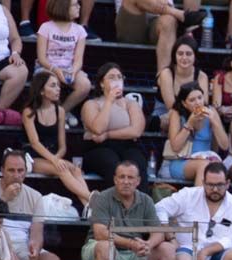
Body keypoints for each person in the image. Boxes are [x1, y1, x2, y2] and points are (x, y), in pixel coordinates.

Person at [82, 161, 178, 260]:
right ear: (115, 180)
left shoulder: (146, 200)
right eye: (122, 177)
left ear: (138, 181)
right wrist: (131, 244)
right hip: (101, 246)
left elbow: (158, 232)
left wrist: (148, 244)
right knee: (106, 247)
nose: (126, 181)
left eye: (130, 177)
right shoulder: (103, 197)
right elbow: (100, 233)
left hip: (134, 252)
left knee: (168, 249)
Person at [22, 71, 92, 207]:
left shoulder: (60, 111)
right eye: (53, 86)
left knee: (76, 170)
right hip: (33, 156)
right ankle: (92, 198)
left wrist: (57, 158)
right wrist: (55, 160)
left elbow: (62, 146)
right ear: (41, 90)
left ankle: (88, 207)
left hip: (54, 155)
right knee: (62, 169)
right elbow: (34, 143)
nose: (58, 89)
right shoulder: (29, 112)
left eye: (58, 86)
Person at [81, 63, 149, 190]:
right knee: (113, 165)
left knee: (137, 164)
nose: (116, 80)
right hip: (98, 147)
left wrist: (107, 134)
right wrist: (109, 101)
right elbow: (97, 128)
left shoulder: (131, 104)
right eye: (111, 77)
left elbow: (136, 131)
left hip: (126, 145)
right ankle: (115, 206)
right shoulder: (92, 104)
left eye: (119, 77)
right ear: (102, 83)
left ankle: (141, 206)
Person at [161, 83, 229, 185]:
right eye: (192, 100)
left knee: (217, 168)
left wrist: (214, 121)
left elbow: (224, 145)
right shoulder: (177, 114)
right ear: (184, 103)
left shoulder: (211, 111)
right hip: (182, 161)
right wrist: (189, 123)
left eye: (200, 98)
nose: (197, 103)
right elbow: (175, 147)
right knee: (205, 166)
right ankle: (198, 201)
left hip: (206, 157)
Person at [35, 0, 90, 124]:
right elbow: (42, 58)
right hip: (48, 67)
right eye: (75, 4)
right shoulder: (46, 27)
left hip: (69, 68)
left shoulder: (80, 30)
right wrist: (56, 70)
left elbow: (78, 60)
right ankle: (50, 113)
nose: (79, 7)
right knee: (52, 81)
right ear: (63, 6)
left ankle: (61, 112)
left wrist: (73, 71)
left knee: (85, 85)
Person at [115, 0, 205, 74]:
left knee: (169, 21)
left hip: (158, 17)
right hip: (131, 19)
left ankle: (163, 79)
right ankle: (182, 15)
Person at [155, 36, 208, 133]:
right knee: (174, 117)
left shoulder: (202, 76)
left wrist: (194, 115)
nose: (184, 58)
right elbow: (172, 106)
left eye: (188, 54)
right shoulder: (167, 73)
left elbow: (204, 103)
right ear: (174, 55)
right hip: (166, 113)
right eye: (180, 54)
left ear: (195, 56)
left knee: (210, 117)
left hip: (193, 112)